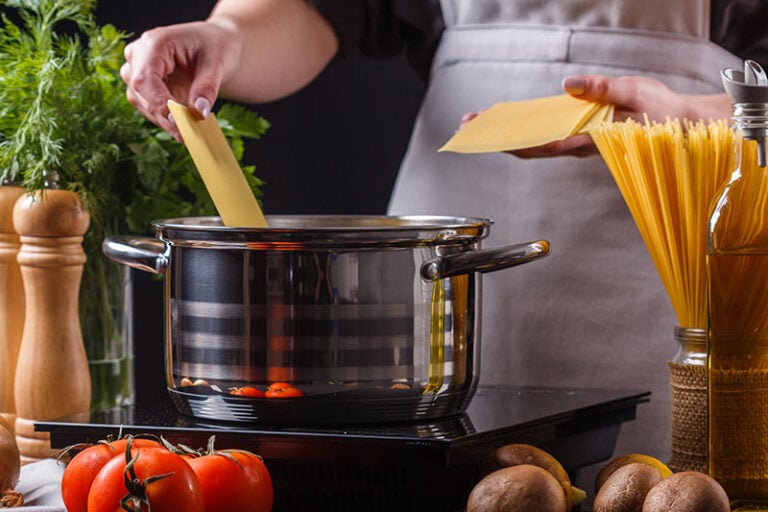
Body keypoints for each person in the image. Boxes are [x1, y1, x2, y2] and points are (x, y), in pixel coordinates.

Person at [121, 0, 768, 489]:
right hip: (444, 233)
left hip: (681, 223)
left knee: (659, 482)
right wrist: (226, 38)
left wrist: (696, 117)